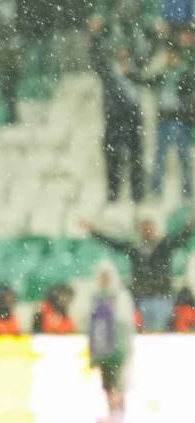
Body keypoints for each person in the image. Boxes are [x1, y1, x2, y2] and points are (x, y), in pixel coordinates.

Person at [84, 216, 194, 331]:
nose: (147, 230)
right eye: (144, 227)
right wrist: (94, 233)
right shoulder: (134, 247)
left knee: (158, 329)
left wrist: (190, 226)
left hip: (162, 296)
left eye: (149, 226)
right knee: (147, 330)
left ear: (154, 228)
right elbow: (114, 243)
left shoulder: (162, 245)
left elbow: (181, 237)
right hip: (143, 297)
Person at [91, 20, 146, 203]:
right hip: (113, 117)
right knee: (112, 157)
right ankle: (113, 192)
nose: (122, 51)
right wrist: (96, 36)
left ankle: (136, 194)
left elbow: (145, 52)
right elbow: (96, 58)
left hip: (132, 117)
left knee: (136, 157)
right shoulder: (108, 71)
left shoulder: (135, 69)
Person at [89, 261, 135, 423]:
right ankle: (112, 418)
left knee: (119, 385)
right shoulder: (95, 298)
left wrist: (122, 349)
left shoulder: (120, 296)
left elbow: (124, 324)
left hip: (118, 350)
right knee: (108, 386)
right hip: (102, 350)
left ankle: (121, 420)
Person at [142, 46, 194, 199]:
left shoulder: (185, 73)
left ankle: (187, 192)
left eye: (172, 57)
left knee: (183, 157)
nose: (170, 59)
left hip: (180, 120)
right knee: (159, 157)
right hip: (164, 119)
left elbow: (188, 92)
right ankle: (156, 190)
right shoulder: (163, 74)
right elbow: (147, 80)